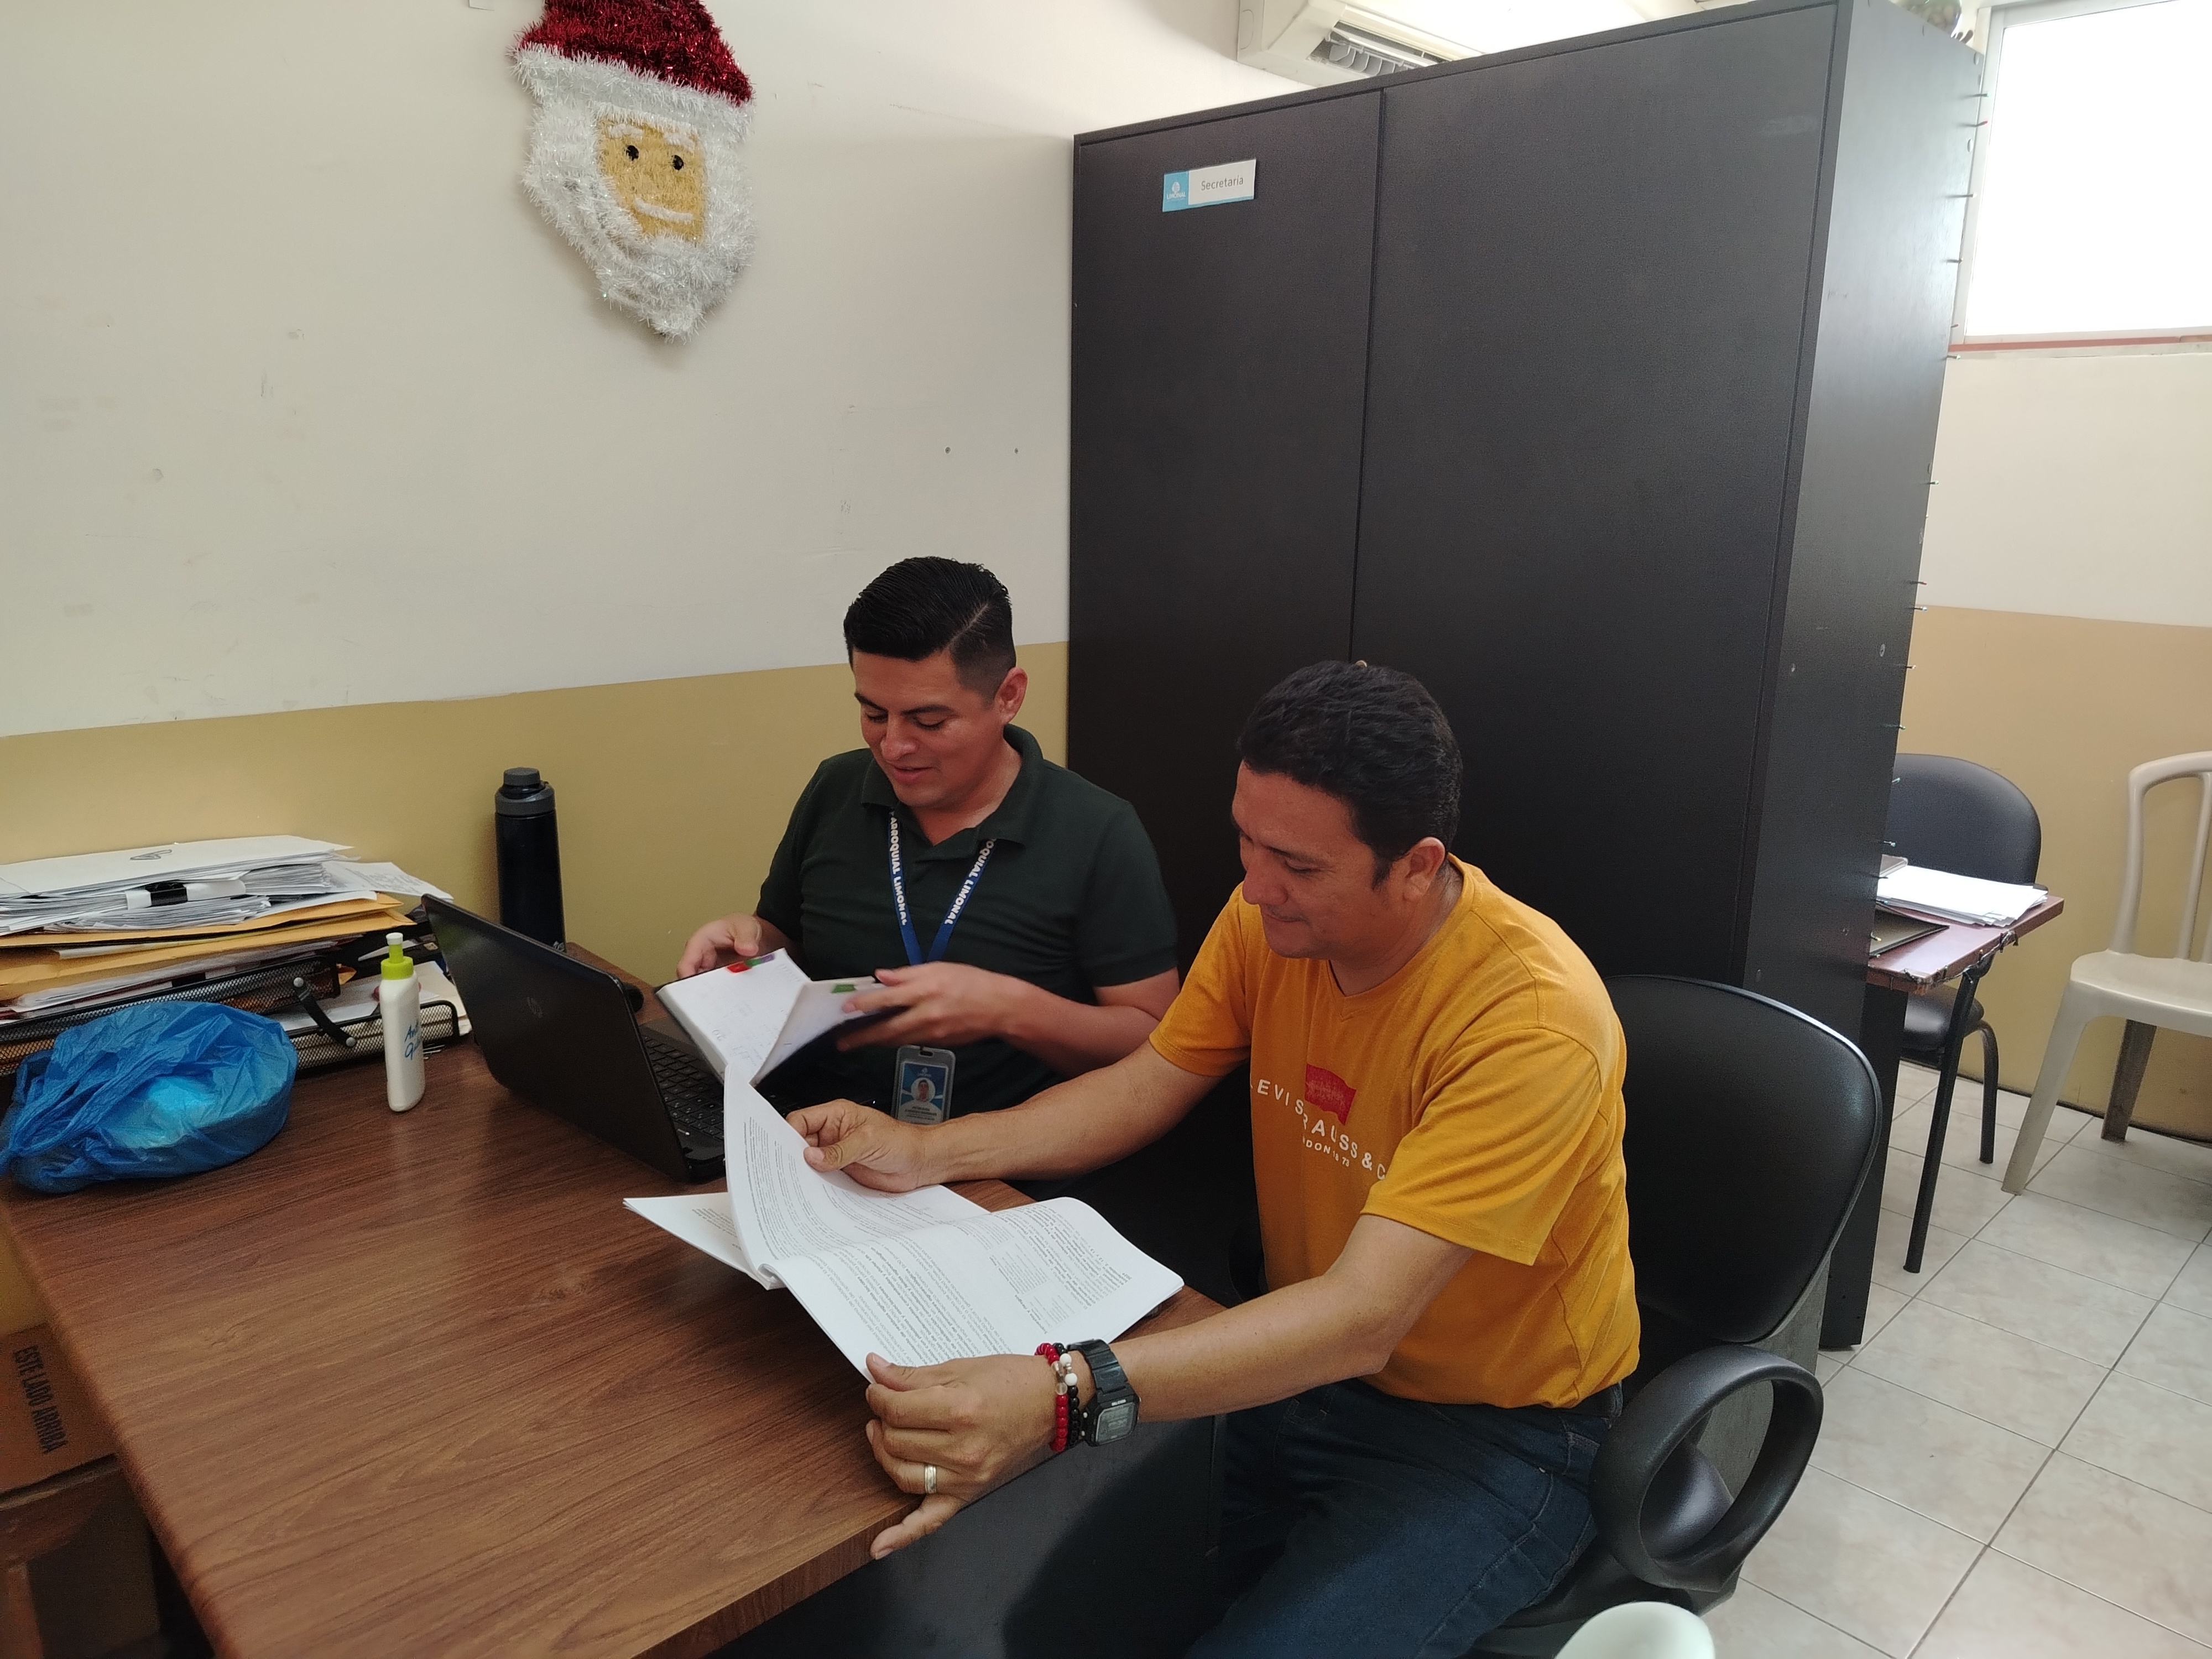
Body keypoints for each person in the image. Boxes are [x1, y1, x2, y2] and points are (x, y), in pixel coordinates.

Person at [786, 660, 1640, 1657]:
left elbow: (1364, 1319)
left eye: (1299, 866)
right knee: (1027, 1583)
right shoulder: (1269, 923)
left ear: (1417, 866)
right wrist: (926, 1150)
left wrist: (1066, 1392)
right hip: (1302, 1373)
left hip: (1493, 1434)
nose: (1256, 886)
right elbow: (1148, 1082)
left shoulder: (1530, 1025)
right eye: (1247, 839)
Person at [679, 557, 1180, 1118]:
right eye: (874, 714)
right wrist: (751, 946)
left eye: (929, 722)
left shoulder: (1097, 830)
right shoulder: (836, 787)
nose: (894, 747)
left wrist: (1010, 1010)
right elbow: (789, 941)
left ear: (1008, 696)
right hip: (815, 1128)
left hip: (997, 1150)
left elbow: (1155, 1044)